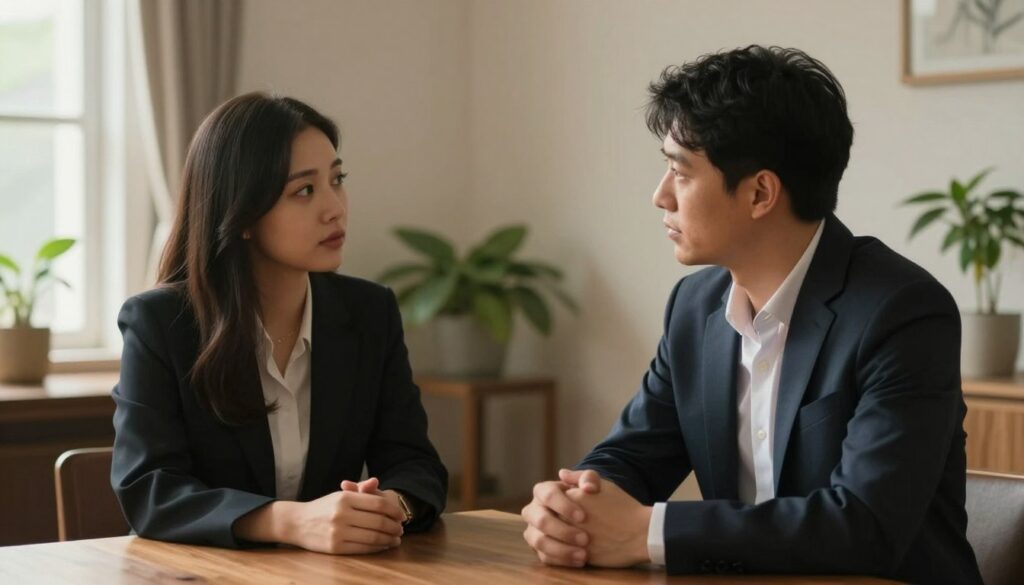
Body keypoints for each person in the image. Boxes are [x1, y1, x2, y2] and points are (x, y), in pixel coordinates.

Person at [521, 45, 982, 584]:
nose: (659, 196)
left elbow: (865, 526)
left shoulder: (901, 312)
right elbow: (634, 456)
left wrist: (647, 532)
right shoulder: (694, 308)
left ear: (760, 192)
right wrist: (572, 506)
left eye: (681, 172)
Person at [111, 92, 447, 555]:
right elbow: (151, 491)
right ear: (242, 214)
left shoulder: (370, 312)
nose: (335, 208)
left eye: (337, 180)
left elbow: (413, 461)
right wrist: (290, 522)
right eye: (304, 191)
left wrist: (391, 507)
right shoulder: (161, 323)